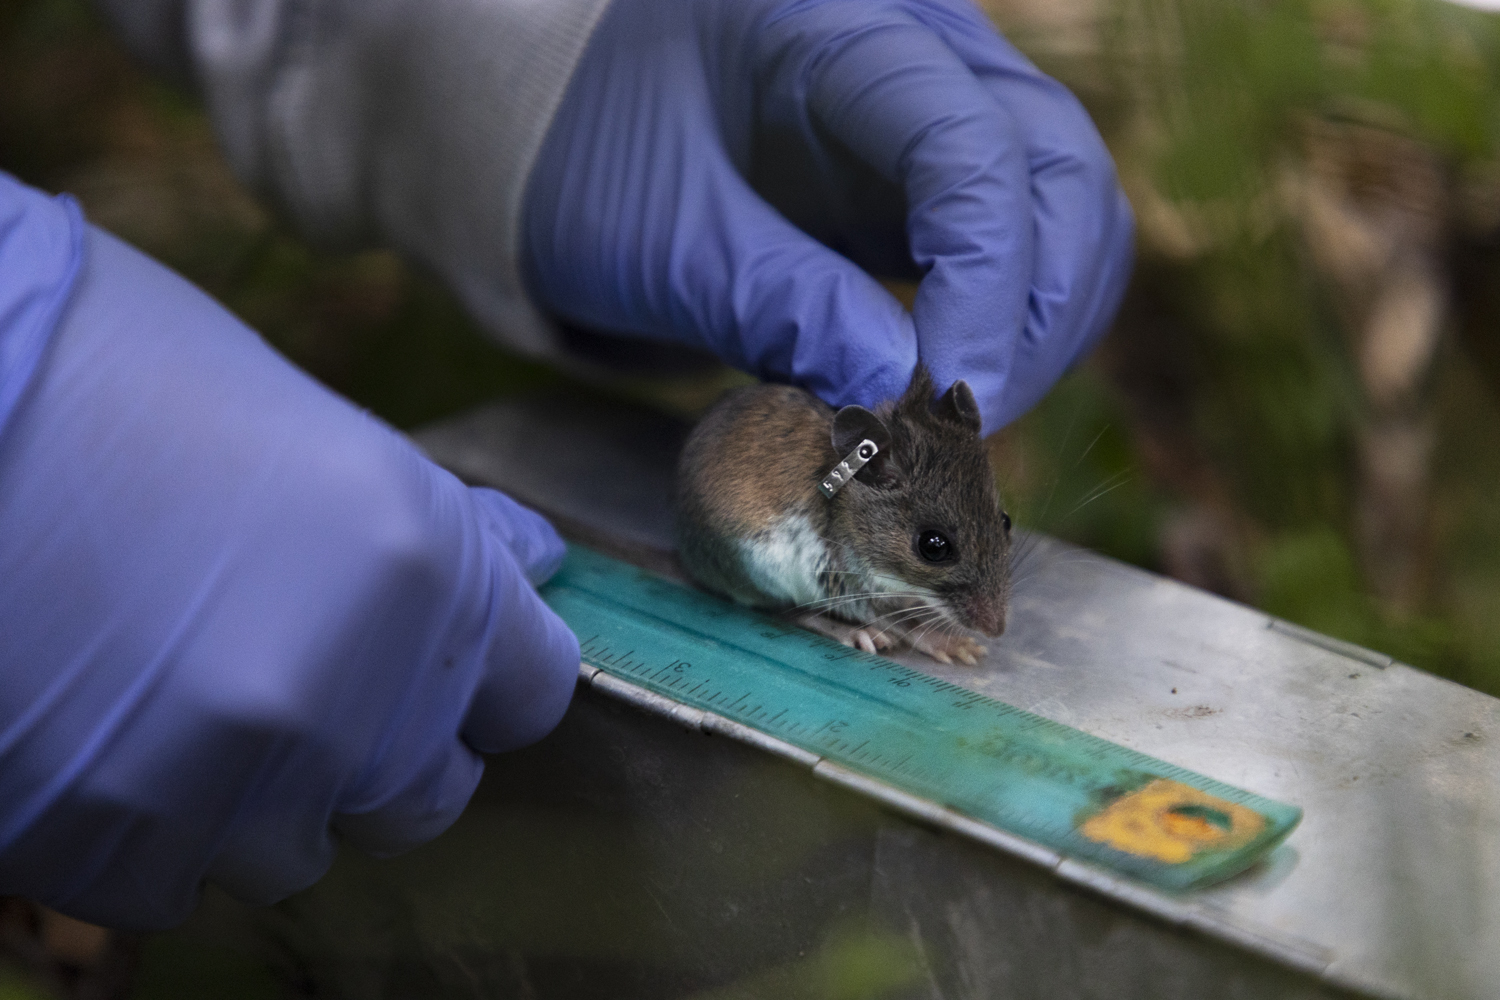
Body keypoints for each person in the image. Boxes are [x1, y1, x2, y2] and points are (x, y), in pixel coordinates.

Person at [0, 0, 1133, 929]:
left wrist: (513, 45)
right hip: (742, 519)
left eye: (981, 555)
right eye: (947, 555)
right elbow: (848, 556)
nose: (985, 602)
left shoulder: (889, 474)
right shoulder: (843, 498)